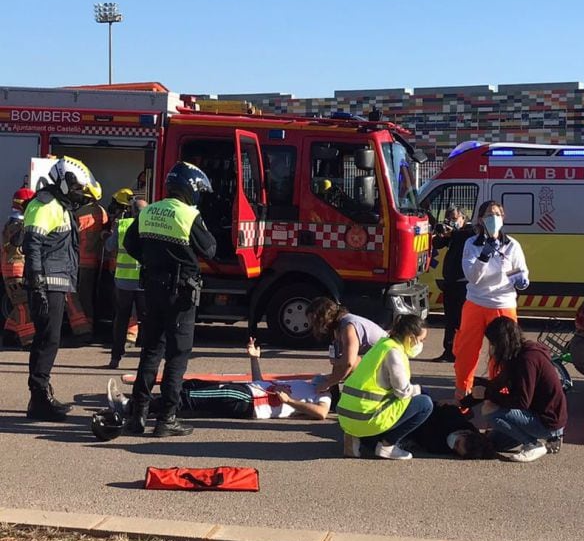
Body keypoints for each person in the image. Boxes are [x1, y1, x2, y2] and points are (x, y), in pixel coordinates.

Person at [123, 162, 217, 438]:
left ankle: (137, 416)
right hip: (181, 295)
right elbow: (210, 249)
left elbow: (130, 245)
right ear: (191, 189)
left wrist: (152, 262)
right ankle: (166, 419)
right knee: (177, 356)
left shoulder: (149, 210)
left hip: (152, 290)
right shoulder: (188, 215)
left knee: (150, 351)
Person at [23, 157, 102, 421]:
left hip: (54, 282)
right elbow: (33, 244)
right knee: (48, 340)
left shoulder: (60, 206)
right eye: (78, 188)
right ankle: (39, 397)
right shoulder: (46, 205)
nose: (81, 194)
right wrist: (37, 284)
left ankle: (40, 394)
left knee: (50, 339)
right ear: (65, 183)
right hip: (46, 283)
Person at [107, 337, 332, 421]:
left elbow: (321, 414)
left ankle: (130, 407)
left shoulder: (323, 395)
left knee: (191, 396)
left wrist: (289, 402)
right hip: (248, 390)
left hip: (249, 401)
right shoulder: (311, 383)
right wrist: (254, 360)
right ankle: (143, 408)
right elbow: (262, 383)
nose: (325, 373)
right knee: (191, 386)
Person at [463, 316, 566, 463]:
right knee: (493, 443)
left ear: (501, 342)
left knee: (489, 410)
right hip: (538, 415)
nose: (491, 347)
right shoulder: (519, 353)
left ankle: (532, 444)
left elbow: (521, 401)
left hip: (547, 421)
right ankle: (550, 438)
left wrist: (487, 394)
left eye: (492, 343)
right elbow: (498, 383)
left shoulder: (527, 360)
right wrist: (463, 402)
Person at [454, 201, 530, 398]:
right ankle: (463, 394)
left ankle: (500, 397)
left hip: (503, 304)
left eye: (497, 214)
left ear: (503, 218)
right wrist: (485, 254)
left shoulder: (512, 245)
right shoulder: (471, 244)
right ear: (480, 220)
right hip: (476, 302)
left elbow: (520, 272)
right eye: (489, 214)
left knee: (504, 354)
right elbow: (473, 277)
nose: (494, 218)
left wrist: (522, 281)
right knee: (466, 352)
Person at [339, 314, 433, 460]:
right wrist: (421, 390)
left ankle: (354, 437)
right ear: (410, 337)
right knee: (424, 403)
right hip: (366, 417)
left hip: (346, 417)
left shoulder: (381, 345)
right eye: (420, 340)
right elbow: (403, 392)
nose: (420, 345)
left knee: (388, 401)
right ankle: (387, 446)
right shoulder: (395, 353)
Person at [307, 297, 387, 398]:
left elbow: (349, 363)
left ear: (323, 318)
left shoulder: (348, 327)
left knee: (349, 364)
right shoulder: (338, 326)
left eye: (314, 322)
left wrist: (327, 384)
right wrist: (332, 381)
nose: (312, 326)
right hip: (380, 359)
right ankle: (337, 396)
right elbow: (340, 362)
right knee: (338, 366)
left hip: (388, 363)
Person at [106, 199, 147, 369]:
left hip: (123, 281)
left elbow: (109, 247)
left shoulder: (122, 225)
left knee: (121, 319)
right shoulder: (149, 226)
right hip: (144, 282)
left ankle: (115, 358)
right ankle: (145, 360)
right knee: (145, 321)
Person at [431, 205, 471, 362]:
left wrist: (453, 232)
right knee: (450, 319)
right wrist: (441, 233)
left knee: (460, 321)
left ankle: (459, 352)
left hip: (463, 284)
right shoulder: (453, 234)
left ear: (463, 218)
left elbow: (465, 236)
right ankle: (448, 351)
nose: (452, 222)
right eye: (449, 219)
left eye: (455, 219)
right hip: (450, 283)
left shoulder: (469, 231)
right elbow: (437, 244)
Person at [2, 188, 37, 348]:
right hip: (16, 270)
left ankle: (9, 334)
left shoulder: (11, 221)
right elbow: (17, 243)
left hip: (11, 268)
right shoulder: (19, 224)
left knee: (18, 304)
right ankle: (28, 341)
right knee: (23, 306)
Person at [407, 401, 497, 459]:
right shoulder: (452, 416)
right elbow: (436, 406)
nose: (452, 445)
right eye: (457, 443)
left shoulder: (437, 447)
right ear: (466, 432)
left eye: (455, 449)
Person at [75, 195, 109, 322]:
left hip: (82, 261)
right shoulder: (102, 211)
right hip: (98, 259)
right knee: (93, 293)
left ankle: (86, 324)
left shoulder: (78, 213)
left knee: (84, 295)